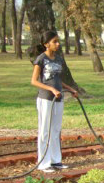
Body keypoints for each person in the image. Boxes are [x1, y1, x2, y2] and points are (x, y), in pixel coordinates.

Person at [31, 30, 78, 173]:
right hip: (46, 99)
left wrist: (70, 89)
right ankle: (44, 163)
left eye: (58, 41)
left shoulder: (58, 59)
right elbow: (34, 81)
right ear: (46, 44)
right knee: (45, 130)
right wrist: (51, 89)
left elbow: (58, 80)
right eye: (54, 42)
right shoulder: (41, 59)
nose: (58, 44)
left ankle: (56, 160)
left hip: (58, 99)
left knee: (56, 130)